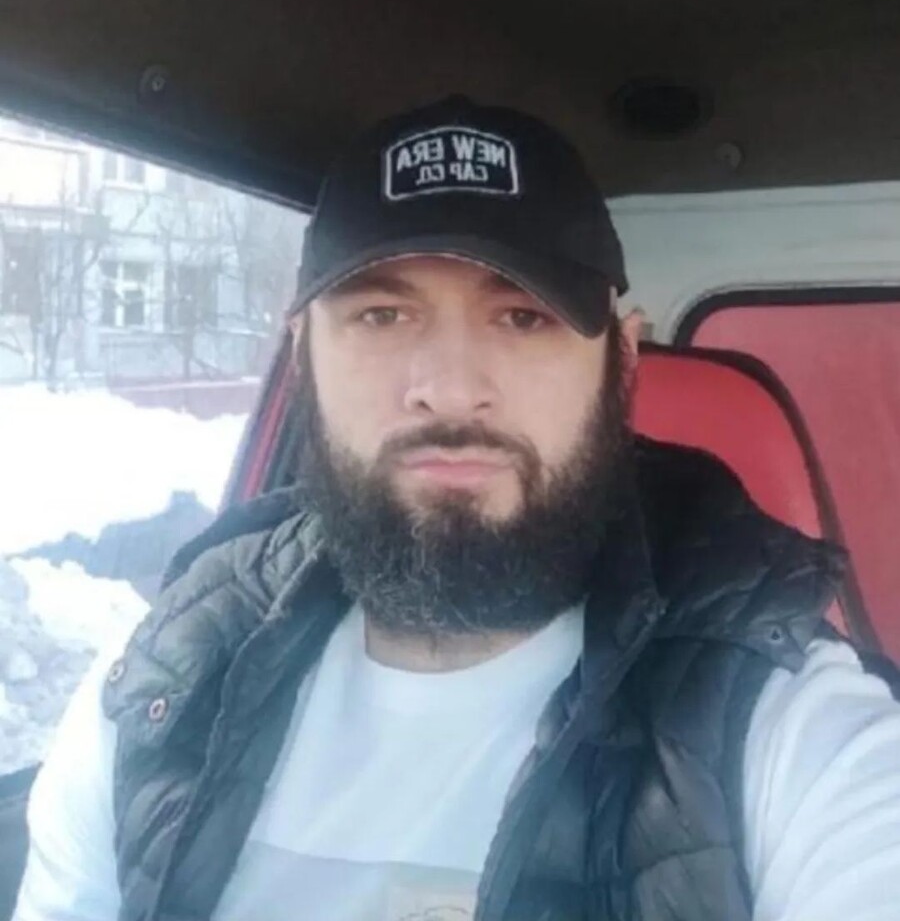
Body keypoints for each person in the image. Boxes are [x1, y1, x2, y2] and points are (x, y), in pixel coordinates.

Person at [14, 97, 900, 921]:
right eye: (381, 315)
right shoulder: (161, 690)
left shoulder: (784, 727)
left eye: (522, 318)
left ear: (623, 362)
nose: (447, 389)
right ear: (303, 352)